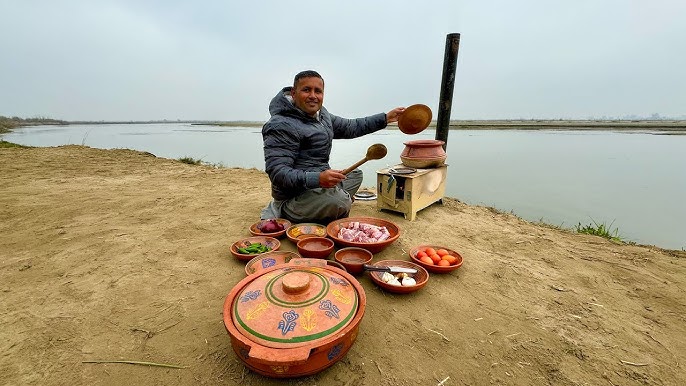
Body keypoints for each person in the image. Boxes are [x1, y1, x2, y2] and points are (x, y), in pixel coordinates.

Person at [260, 70, 405, 224]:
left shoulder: (322, 115)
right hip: (293, 196)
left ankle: (331, 199)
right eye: (306, 90)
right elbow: (278, 173)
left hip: (319, 186)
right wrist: (318, 178)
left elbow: (351, 126)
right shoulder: (280, 124)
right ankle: (286, 210)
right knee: (339, 202)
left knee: (355, 175)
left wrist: (385, 118)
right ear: (294, 94)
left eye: (318, 91)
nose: (313, 96)